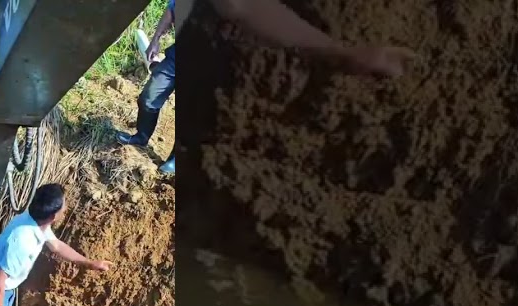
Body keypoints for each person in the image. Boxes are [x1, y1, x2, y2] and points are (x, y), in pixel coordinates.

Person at [117, 0, 417, 175]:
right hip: (177, 53)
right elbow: (173, 9)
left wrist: (345, 54)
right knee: (149, 97)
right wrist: (156, 39)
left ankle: (173, 160)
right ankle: (141, 135)